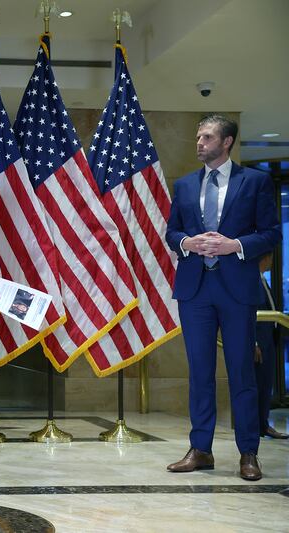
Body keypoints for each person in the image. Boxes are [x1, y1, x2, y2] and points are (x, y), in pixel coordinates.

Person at [165, 114, 281, 481]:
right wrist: (186, 242)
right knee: (200, 374)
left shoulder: (256, 182)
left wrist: (236, 245)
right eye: (198, 136)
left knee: (242, 373)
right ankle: (200, 450)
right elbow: (171, 232)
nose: (199, 142)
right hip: (195, 289)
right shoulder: (184, 186)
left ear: (227, 142)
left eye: (207, 137)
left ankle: (249, 453)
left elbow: (272, 233)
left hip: (236, 290)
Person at [255, 253, 289, 439]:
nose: (271, 262)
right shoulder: (251, 281)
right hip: (259, 343)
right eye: (269, 258)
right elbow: (249, 314)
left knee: (266, 385)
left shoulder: (263, 280)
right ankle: (257, 426)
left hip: (270, 340)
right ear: (263, 258)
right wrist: (254, 342)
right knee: (258, 386)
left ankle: (263, 424)